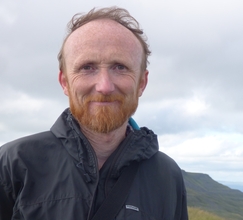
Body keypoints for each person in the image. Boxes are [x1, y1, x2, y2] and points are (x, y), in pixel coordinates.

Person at [0, 6, 188, 220]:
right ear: (65, 82)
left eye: (120, 67)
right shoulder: (13, 165)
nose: (104, 86)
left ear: (142, 83)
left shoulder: (167, 176)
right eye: (87, 67)